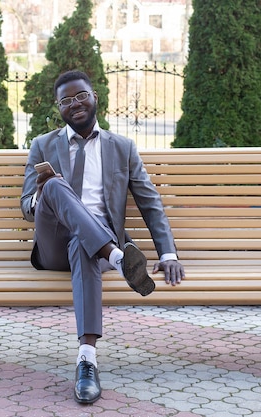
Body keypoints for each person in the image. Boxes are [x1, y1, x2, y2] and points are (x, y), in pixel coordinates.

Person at [20, 70, 184, 404]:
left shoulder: (121, 147)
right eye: (66, 100)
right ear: (59, 108)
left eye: (80, 96)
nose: (74, 104)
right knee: (51, 184)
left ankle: (86, 361)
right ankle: (119, 257)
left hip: (91, 246)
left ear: (95, 97)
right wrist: (41, 195)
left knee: (85, 243)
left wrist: (168, 254)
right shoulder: (42, 145)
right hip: (54, 246)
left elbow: (150, 203)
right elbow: (26, 206)